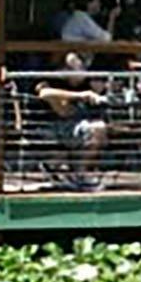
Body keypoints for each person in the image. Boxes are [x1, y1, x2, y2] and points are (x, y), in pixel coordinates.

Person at [32, 53, 110, 186]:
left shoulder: (88, 83)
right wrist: (80, 95)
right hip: (50, 127)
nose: (80, 71)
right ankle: (66, 170)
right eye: (74, 67)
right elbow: (45, 93)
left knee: (100, 128)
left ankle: (78, 173)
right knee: (94, 128)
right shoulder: (53, 80)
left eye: (81, 67)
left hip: (77, 125)